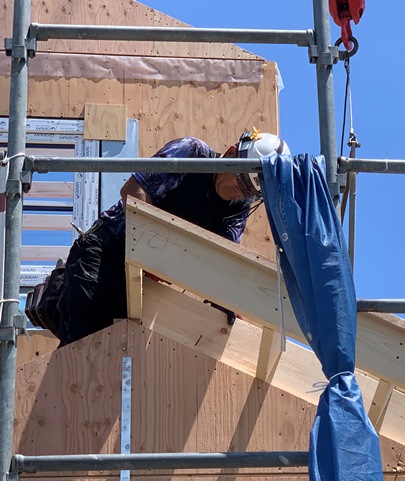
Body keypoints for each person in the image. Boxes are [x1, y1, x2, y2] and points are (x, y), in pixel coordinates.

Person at [56, 129, 290, 346]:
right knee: (80, 348)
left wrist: (225, 300)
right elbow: (133, 193)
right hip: (104, 254)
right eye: (240, 180)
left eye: (250, 191)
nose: (240, 191)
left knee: (114, 357)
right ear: (230, 153)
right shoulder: (192, 154)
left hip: (139, 281)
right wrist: (164, 251)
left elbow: (222, 261)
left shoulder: (237, 208)